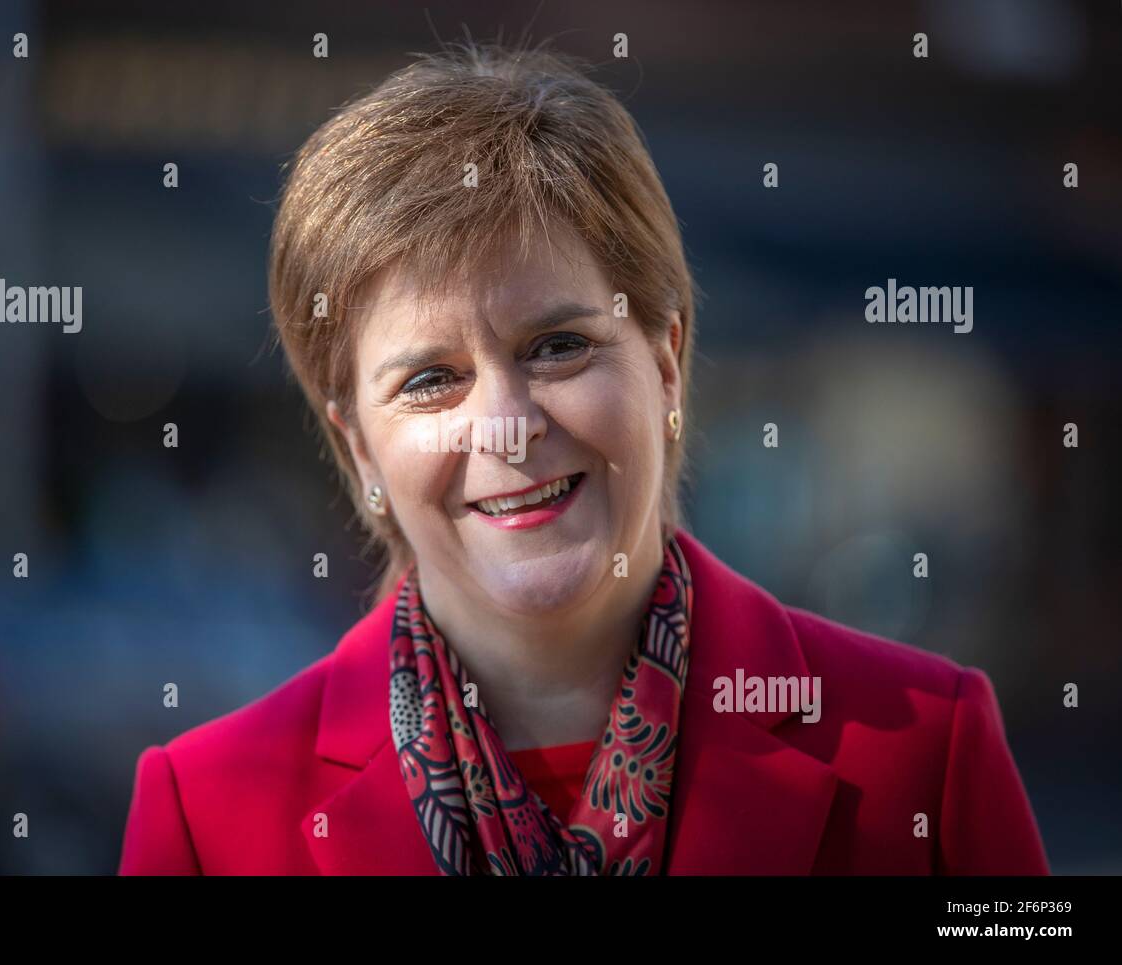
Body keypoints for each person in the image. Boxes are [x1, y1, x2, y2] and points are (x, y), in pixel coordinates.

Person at [118, 42, 1049, 875]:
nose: (507, 427)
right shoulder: (206, 814)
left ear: (666, 362)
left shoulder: (929, 746)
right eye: (431, 380)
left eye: (557, 346)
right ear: (359, 443)